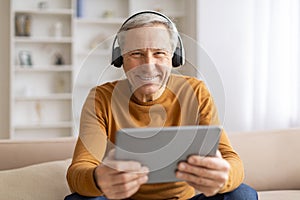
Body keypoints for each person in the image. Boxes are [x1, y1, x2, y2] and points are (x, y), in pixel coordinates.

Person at [65, 11, 258, 200]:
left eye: (159, 53)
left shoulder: (196, 91)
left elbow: (231, 160)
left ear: (174, 58)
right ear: (120, 59)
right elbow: (79, 170)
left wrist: (224, 177)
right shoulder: (100, 98)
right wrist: (99, 179)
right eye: (136, 54)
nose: (148, 65)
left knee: (242, 195)